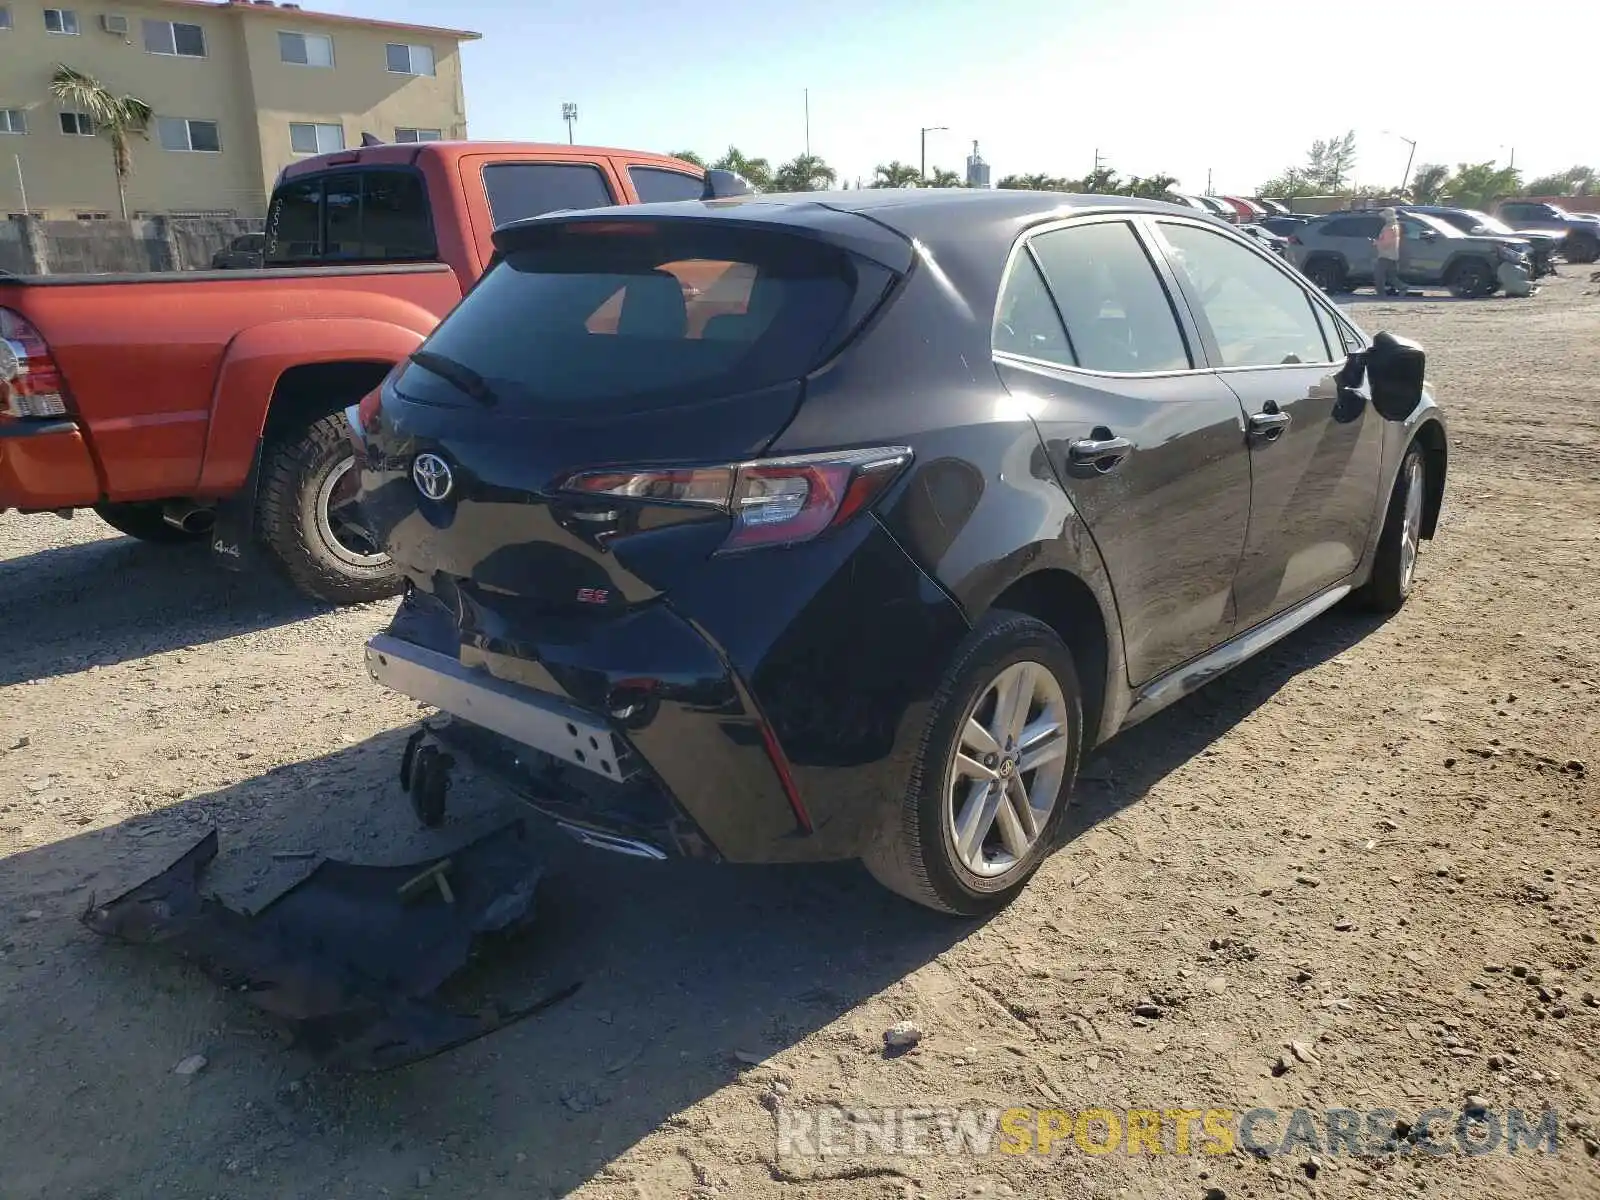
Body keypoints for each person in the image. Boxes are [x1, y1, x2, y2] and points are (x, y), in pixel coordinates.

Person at [1373, 207, 1404, 297]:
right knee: (1391, 275)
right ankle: (1402, 287)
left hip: (1385, 255)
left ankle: (1381, 293)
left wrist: (1376, 242)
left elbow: (1386, 242)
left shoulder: (1388, 228)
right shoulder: (1395, 226)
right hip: (1393, 254)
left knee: (1379, 275)